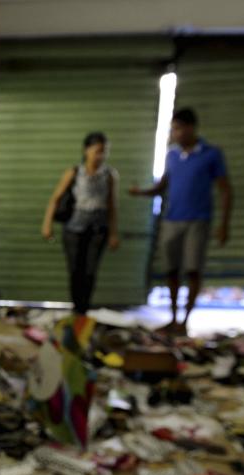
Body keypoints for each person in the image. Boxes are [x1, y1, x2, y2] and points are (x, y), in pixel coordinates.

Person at [129, 107, 233, 334]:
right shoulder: (172, 155)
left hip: (198, 221)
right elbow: (162, 186)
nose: (174, 133)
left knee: (193, 270)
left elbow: (225, 190)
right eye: (172, 129)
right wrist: (141, 192)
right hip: (171, 220)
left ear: (190, 127)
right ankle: (174, 318)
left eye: (177, 128)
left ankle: (185, 321)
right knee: (171, 271)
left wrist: (223, 225)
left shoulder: (211, 154)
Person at [42, 132, 120, 316]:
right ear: (86, 150)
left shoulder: (110, 175)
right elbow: (55, 198)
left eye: (105, 151)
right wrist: (47, 224)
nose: (101, 155)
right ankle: (77, 309)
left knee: (90, 272)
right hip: (74, 229)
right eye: (97, 151)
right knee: (76, 271)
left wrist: (114, 233)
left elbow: (112, 206)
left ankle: (83, 310)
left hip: (98, 230)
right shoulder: (74, 172)